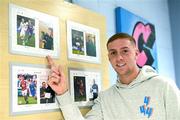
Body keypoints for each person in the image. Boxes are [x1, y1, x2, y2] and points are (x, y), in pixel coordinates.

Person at [47, 33, 180, 120]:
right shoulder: (105, 98)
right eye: (113, 53)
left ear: (137, 54)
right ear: (109, 58)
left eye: (125, 51)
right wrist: (62, 93)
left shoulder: (164, 86)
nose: (119, 58)